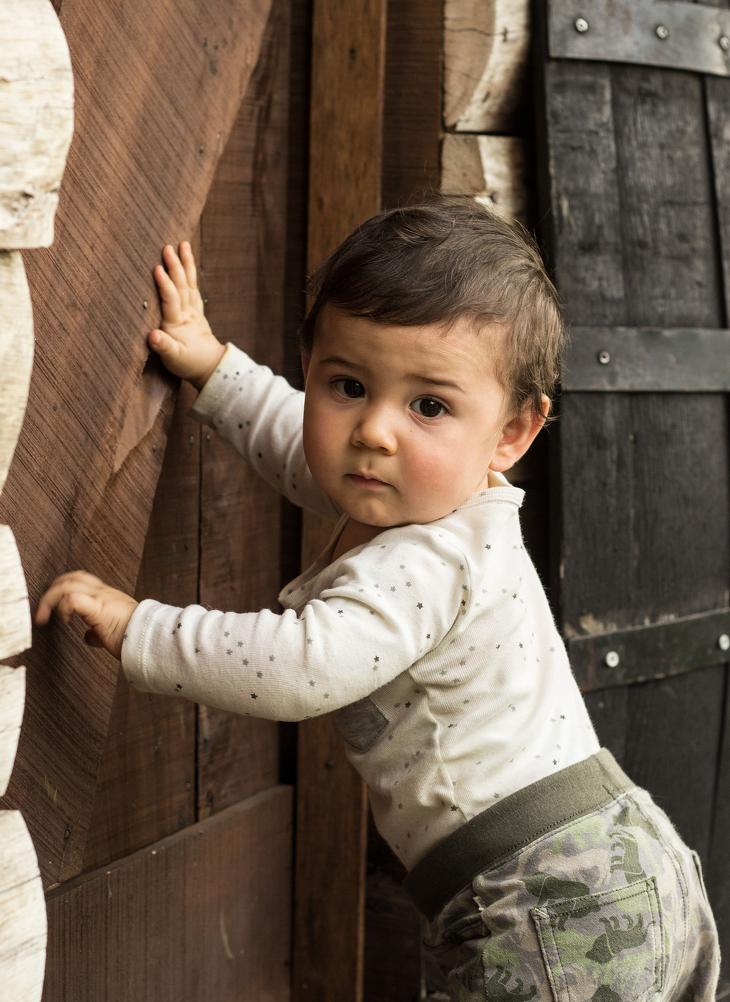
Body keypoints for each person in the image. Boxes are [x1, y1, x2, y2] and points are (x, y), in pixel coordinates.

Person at [35, 196, 720, 999]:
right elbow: (301, 442)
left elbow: (297, 668)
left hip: (542, 898)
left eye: (428, 404)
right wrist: (214, 368)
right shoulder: (436, 498)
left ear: (513, 433)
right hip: (626, 859)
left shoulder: (428, 560)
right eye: (349, 385)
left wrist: (137, 626)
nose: (375, 432)